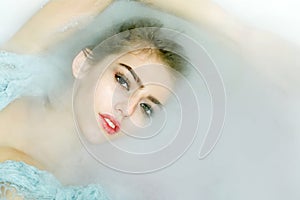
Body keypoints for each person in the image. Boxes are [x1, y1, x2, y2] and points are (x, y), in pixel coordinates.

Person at [0, 1, 187, 199]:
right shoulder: (9, 76)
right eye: (123, 81)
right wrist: (222, 26)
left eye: (145, 107)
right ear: (83, 64)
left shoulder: (93, 189)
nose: (127, 109)